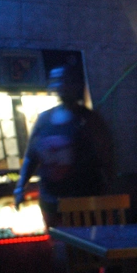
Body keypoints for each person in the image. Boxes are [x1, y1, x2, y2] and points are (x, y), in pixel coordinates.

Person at [14, 64, 114, 227]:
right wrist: (20, 188)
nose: (61, 85)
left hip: (84, 206)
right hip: (52, 204)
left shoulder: (91, 121)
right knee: (61, 248)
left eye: (66, 81)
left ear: (76, 84)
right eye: (58, 81)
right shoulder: (44, 119)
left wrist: (108, 198)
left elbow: (107, 160)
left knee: (81, 249)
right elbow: (31, 157)